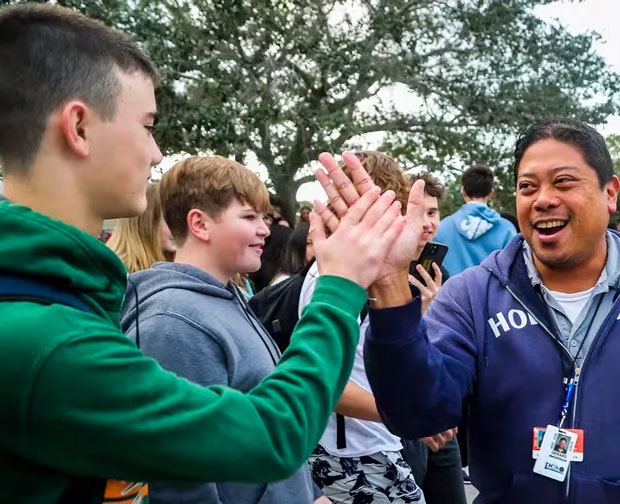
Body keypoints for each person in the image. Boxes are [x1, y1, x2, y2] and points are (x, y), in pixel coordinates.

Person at [0, 4, 407, 502]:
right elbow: (270, 436)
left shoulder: (61, 302)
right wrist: (341, 283)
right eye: (147, 126)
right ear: (79, 127)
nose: (155, 153)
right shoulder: (47, 343)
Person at [314, 118, 620, 503]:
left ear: (610, 192)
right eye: (527, 187)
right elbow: (418, 412)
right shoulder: (472, 296)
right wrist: (390, 285)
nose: (542, 200)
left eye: (563, 182)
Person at [120, 156, 318, 503]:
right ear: (200, 224)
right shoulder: (173, 323)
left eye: (263, 217)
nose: (265, 230)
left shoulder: (232, 298)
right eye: (249, 217)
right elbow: (182, 476)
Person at [303, 152, 435, 504]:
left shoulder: (367, 274)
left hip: (372, 444)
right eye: (397, 208)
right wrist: (406, 415)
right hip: (354, 452)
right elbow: (329, 384)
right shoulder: (329, 278)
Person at [402, 173, 467, 504]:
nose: (428, 223)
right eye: (421, 212)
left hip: (440, 423)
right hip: (396, 430)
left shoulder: (440, 275)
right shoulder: (383, 276)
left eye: (434, 212)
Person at [433, 164, 516, 276]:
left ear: (463, 191)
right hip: (492, 293)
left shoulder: (441, 228)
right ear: (491, 193)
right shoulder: (507, 229)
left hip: (450, 292)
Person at [108, 181, 176, 272]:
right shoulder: (119, 272)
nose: (178, 227)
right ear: (145, 224)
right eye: (168, 219)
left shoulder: (175, 264)